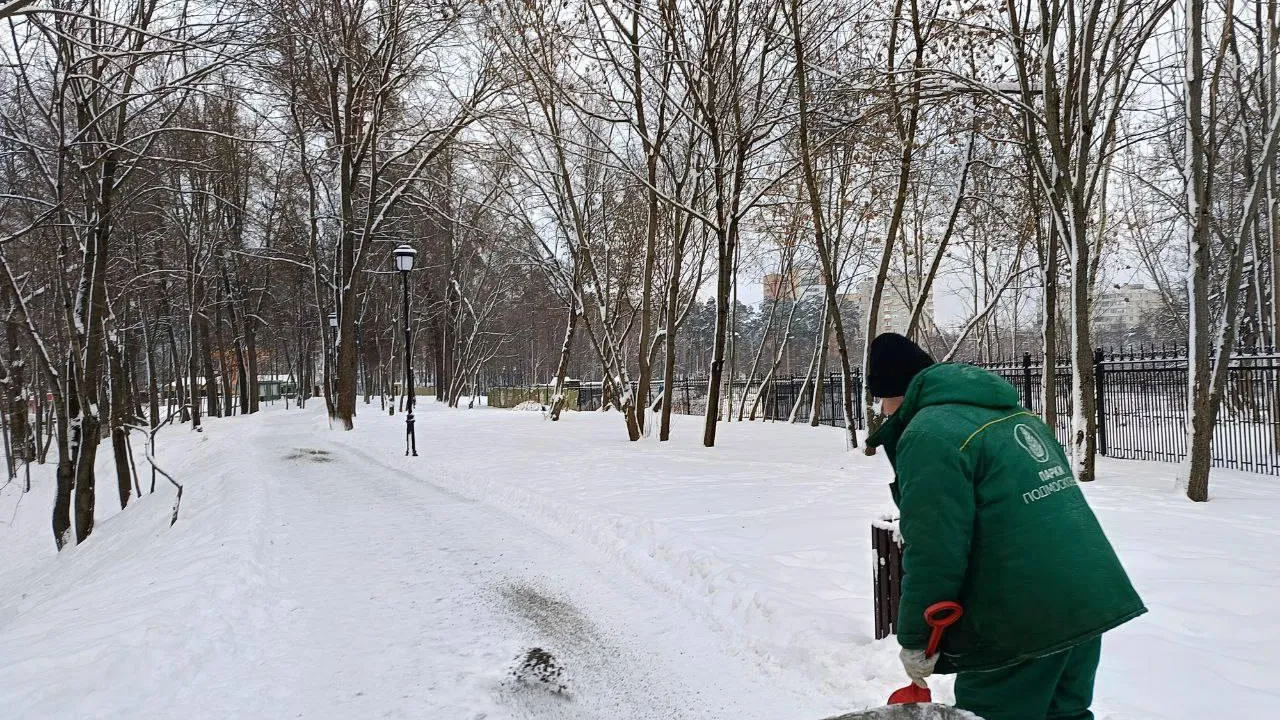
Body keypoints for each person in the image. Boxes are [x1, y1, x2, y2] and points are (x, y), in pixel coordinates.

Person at [863, 333, 1145, 720]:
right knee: (1064, 713)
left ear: (899, 393)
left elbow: (934, 550)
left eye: (881, 399)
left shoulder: (929, 434)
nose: (881, 411)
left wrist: (914, 639)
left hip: (1018, 619)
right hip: (1086, 598)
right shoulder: (1015, 415)